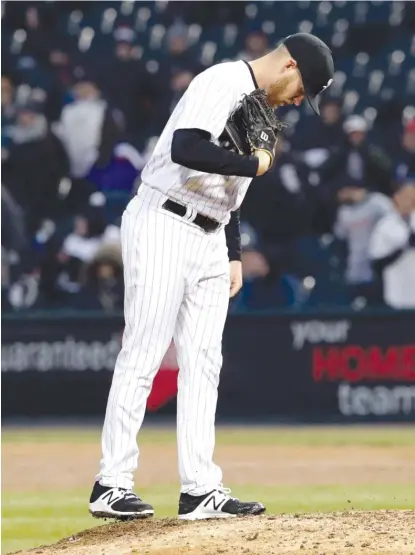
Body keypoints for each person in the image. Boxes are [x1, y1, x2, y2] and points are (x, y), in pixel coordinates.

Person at [89, 32, 334, 521]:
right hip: (163, 221)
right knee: (145, 348)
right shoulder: (222, 80)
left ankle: (200, 488)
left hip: (211, 236)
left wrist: (234, 253)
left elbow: (230, 193)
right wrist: (254, 163)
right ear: (289, 65)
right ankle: (111, 481)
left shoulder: (259, 113)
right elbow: (186, 148)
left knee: (204, 361)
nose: (301, 100)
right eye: (305, 88)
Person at [333, 179, 393, 304]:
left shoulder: (378, 203)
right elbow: (340, 237)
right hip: (354, 270)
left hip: (377, 266)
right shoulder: (344, 212)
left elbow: (393, 223)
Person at [369, 178, 415, 309]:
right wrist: (403, 247)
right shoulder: (385, 226)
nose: (412, 200)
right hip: (397, 294)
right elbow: (377, 261)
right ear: (397, 197)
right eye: (408, 196)